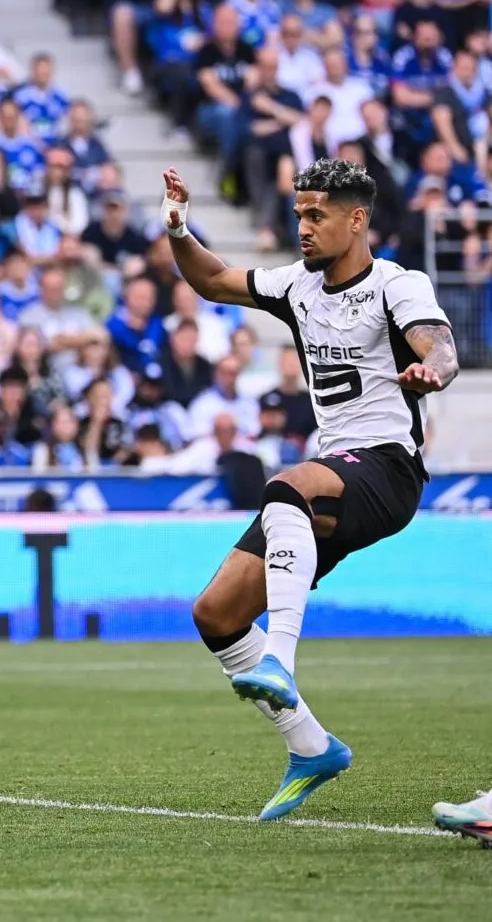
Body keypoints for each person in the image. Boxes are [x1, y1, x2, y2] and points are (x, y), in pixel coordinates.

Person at [162, 159, 457, 822]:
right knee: (215, 614)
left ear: (357, 219)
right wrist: (178, 228)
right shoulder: (297, 285)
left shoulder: (397, 284)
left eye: (316, 214)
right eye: (298, 214)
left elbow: (439, 346)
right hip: (334, 477)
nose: (302, 226)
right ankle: (311, 746)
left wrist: (432, 371)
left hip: (388, 469)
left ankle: (279, 661)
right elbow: (211, 279)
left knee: (286, 484)